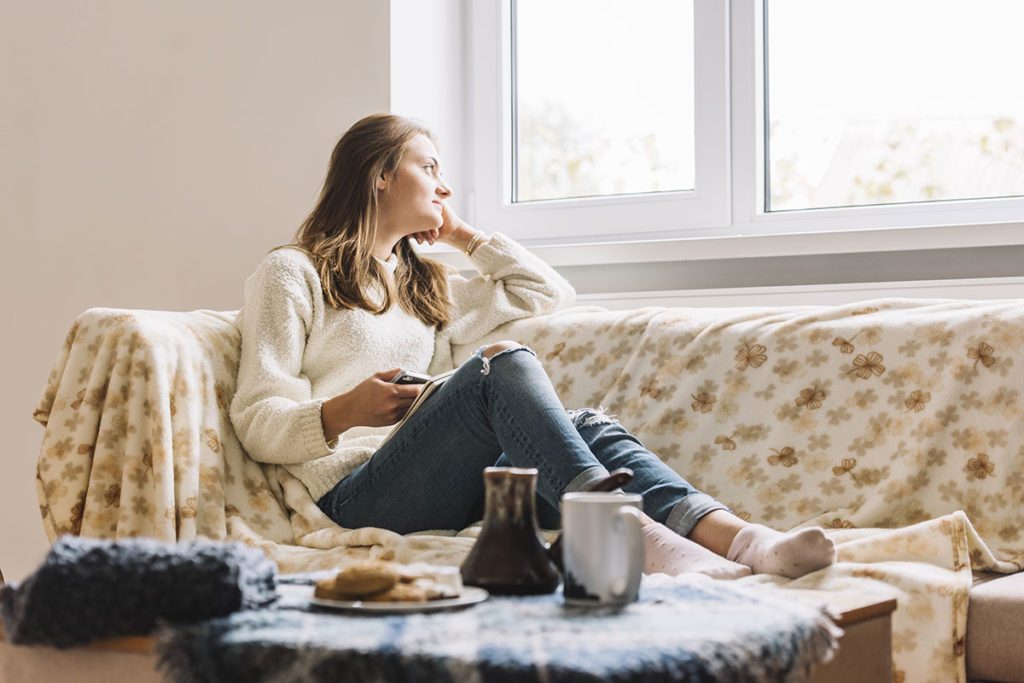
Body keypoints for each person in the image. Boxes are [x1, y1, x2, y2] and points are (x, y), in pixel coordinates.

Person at [229, 113, 836, 579]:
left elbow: (544, 289)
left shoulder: (423, 285)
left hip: (447, 485)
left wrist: (463, 236)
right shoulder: (293, 274)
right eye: (430, 167)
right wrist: (344, 412)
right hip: (356, 495)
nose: (444, 185)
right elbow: (257, 420)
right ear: (380, 175)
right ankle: (631, 537)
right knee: (503, 365)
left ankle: (749, 542)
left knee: (588, 427)